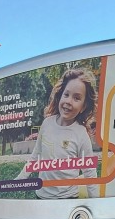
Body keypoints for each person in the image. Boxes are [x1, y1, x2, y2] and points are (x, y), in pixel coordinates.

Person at [16, 68, 99, 199]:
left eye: (76, 98)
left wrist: (96, 204)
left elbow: (89, 172)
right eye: (66, 95)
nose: (68, 101)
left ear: (83, 106)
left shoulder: (81, 134)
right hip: (42, 197)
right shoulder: (47, 124)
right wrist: (20, 179)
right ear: (60, 96)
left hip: (68, 199)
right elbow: (36, 155)